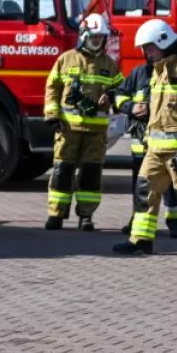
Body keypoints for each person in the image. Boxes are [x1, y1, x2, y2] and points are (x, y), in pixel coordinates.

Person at [113, 19, 177, 257]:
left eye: (149, 47)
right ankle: (140, 240)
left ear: (163, 42)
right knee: (143, 190)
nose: (147, 53)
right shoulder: (157, 71)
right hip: (155, 148)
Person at [42, 12, 123, 231]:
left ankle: (86, 215)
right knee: (62, 171)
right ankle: (56, 215)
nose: (98, 41)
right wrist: (52, 116)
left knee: (91, 174)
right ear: (84, 35)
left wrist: (114, 96)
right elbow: (52, 88)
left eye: (101, 38)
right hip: (68, 129)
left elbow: (121, 89)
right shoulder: (66, 59)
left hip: (96, 132)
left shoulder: (109, 64)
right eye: (94, 37)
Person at [114, 30, 177, 238]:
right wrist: (131, 107)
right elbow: (120, 95)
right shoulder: (139, 73)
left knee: (174, 184)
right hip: (142, 143)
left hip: (167, 142)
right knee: (141, 185)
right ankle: (137, 221)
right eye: (145, 50)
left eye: (150, 48)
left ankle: (176, 222)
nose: (148, 53)